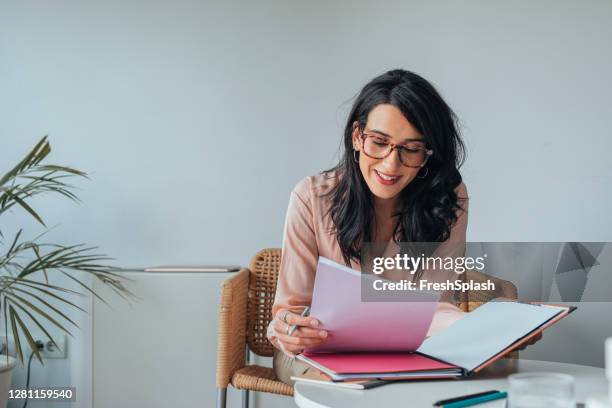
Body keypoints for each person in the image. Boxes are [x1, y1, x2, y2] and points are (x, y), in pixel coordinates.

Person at [267, 69, 500, 385]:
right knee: (363, 390)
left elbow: (437, 306)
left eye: (411, 148)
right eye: (379, 142)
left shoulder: (448, 198)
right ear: (357, 137)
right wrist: (288, 327)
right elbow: (289, 309)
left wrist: (493, 331)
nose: (391, 164)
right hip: (320, 354)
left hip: (407, 352)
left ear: (428, 153)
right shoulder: (311, 197)